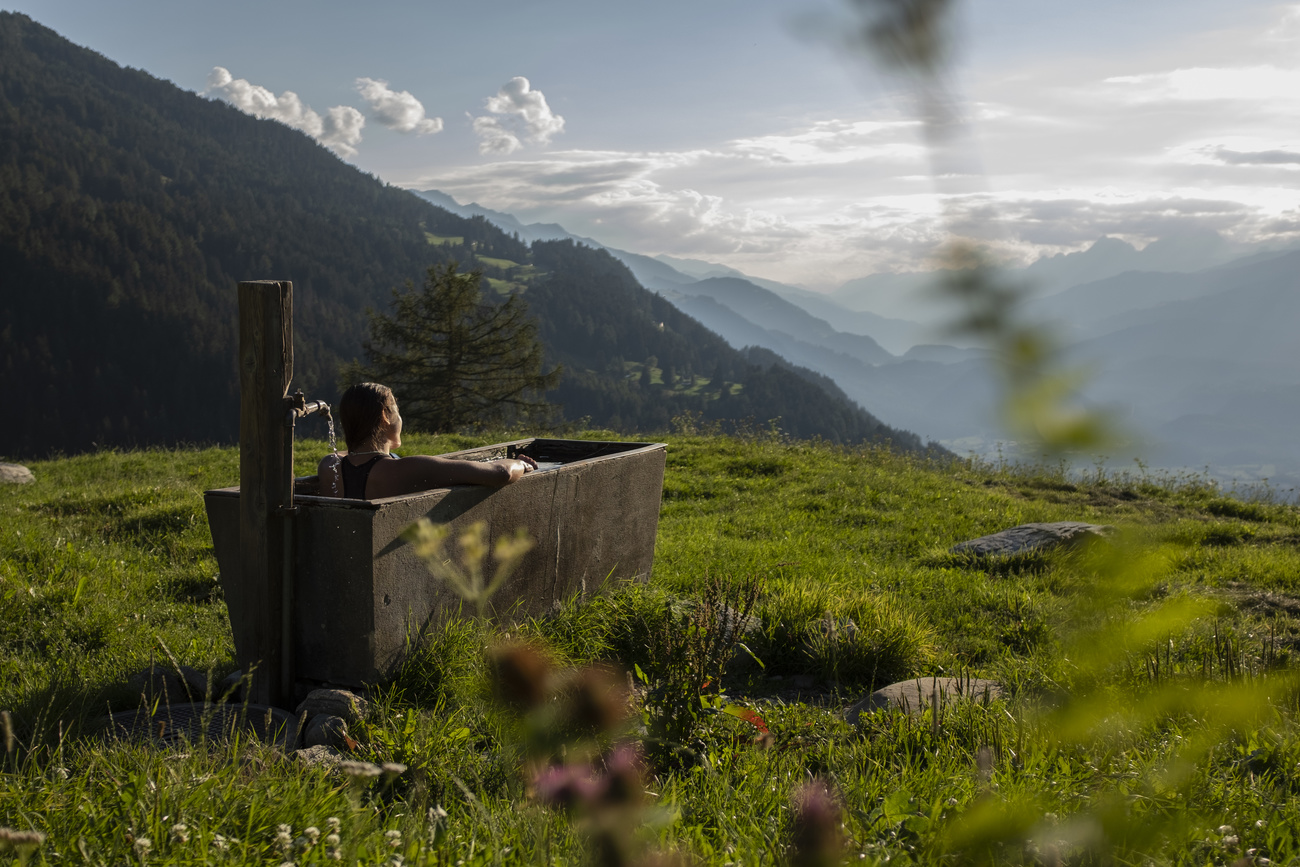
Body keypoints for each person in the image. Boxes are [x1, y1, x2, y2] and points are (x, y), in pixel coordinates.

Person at [316, 382, 536, 499]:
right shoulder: (406, 468)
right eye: (397, 411)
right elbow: (501, 473)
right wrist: (520, 464)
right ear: (385, 416)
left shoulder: (329, 466)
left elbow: (351, 454)